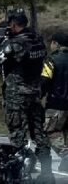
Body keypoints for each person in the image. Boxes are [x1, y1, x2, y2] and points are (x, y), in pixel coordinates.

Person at [0, 12, 53, 183]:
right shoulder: (37, 40)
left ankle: (21, 173)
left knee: (18, 133)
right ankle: (47, 173)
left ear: (13, 24)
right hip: (35, 93)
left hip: (17, 95)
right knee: (39, 133)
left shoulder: (16, 43)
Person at [41, 31, 68, 172]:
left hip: (56, 103)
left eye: (51, 43)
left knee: (51, 131)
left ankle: (65, 155)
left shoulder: (51, 60)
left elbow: (45, 80)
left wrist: (38, 95)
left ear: (56, 43)